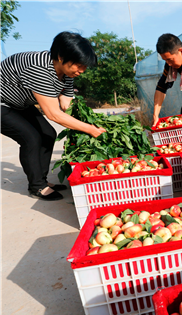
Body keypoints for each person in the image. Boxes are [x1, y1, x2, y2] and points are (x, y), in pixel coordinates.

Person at [1, 31, 106, 201]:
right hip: (2, 103)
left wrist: (84, 120)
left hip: (20, 103)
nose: (81, 71)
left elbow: (65, 103)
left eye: (84, 66)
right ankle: (36, 187)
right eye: (78, 65)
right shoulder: (39, 68)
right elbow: (53, 114)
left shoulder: (67, 73)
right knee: (31, 138)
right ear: (60, 56)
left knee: (48, 134)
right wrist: (90, 129)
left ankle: (42, 181)